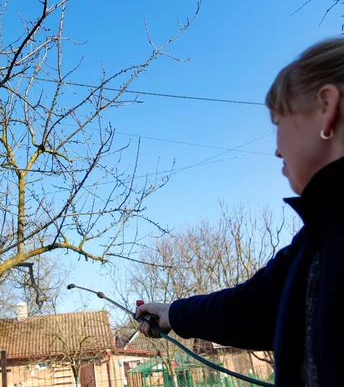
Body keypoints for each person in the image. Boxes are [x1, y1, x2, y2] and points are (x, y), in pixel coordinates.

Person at [135, 37, 344, 387]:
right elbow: (251, 308)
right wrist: (171, 313)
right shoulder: (316, 242)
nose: (276, 149)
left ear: (326, 106)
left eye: (278, 122)